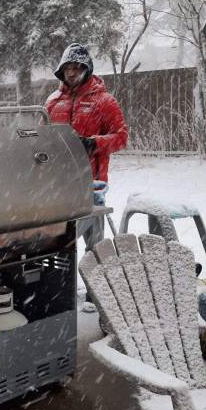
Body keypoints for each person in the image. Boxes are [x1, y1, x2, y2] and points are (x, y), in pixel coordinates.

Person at [46, 42, 128, 259]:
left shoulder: (104, 101)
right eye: (68, 68)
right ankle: (65, 290)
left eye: (77, 67)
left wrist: (93, 143)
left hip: (91, 185)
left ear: (87, 69)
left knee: (96, 248)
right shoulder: (53, 102)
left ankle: (96, 291)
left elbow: (121, 137)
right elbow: (42, 136)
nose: (72, 73)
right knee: (59, 245)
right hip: (58, 185)